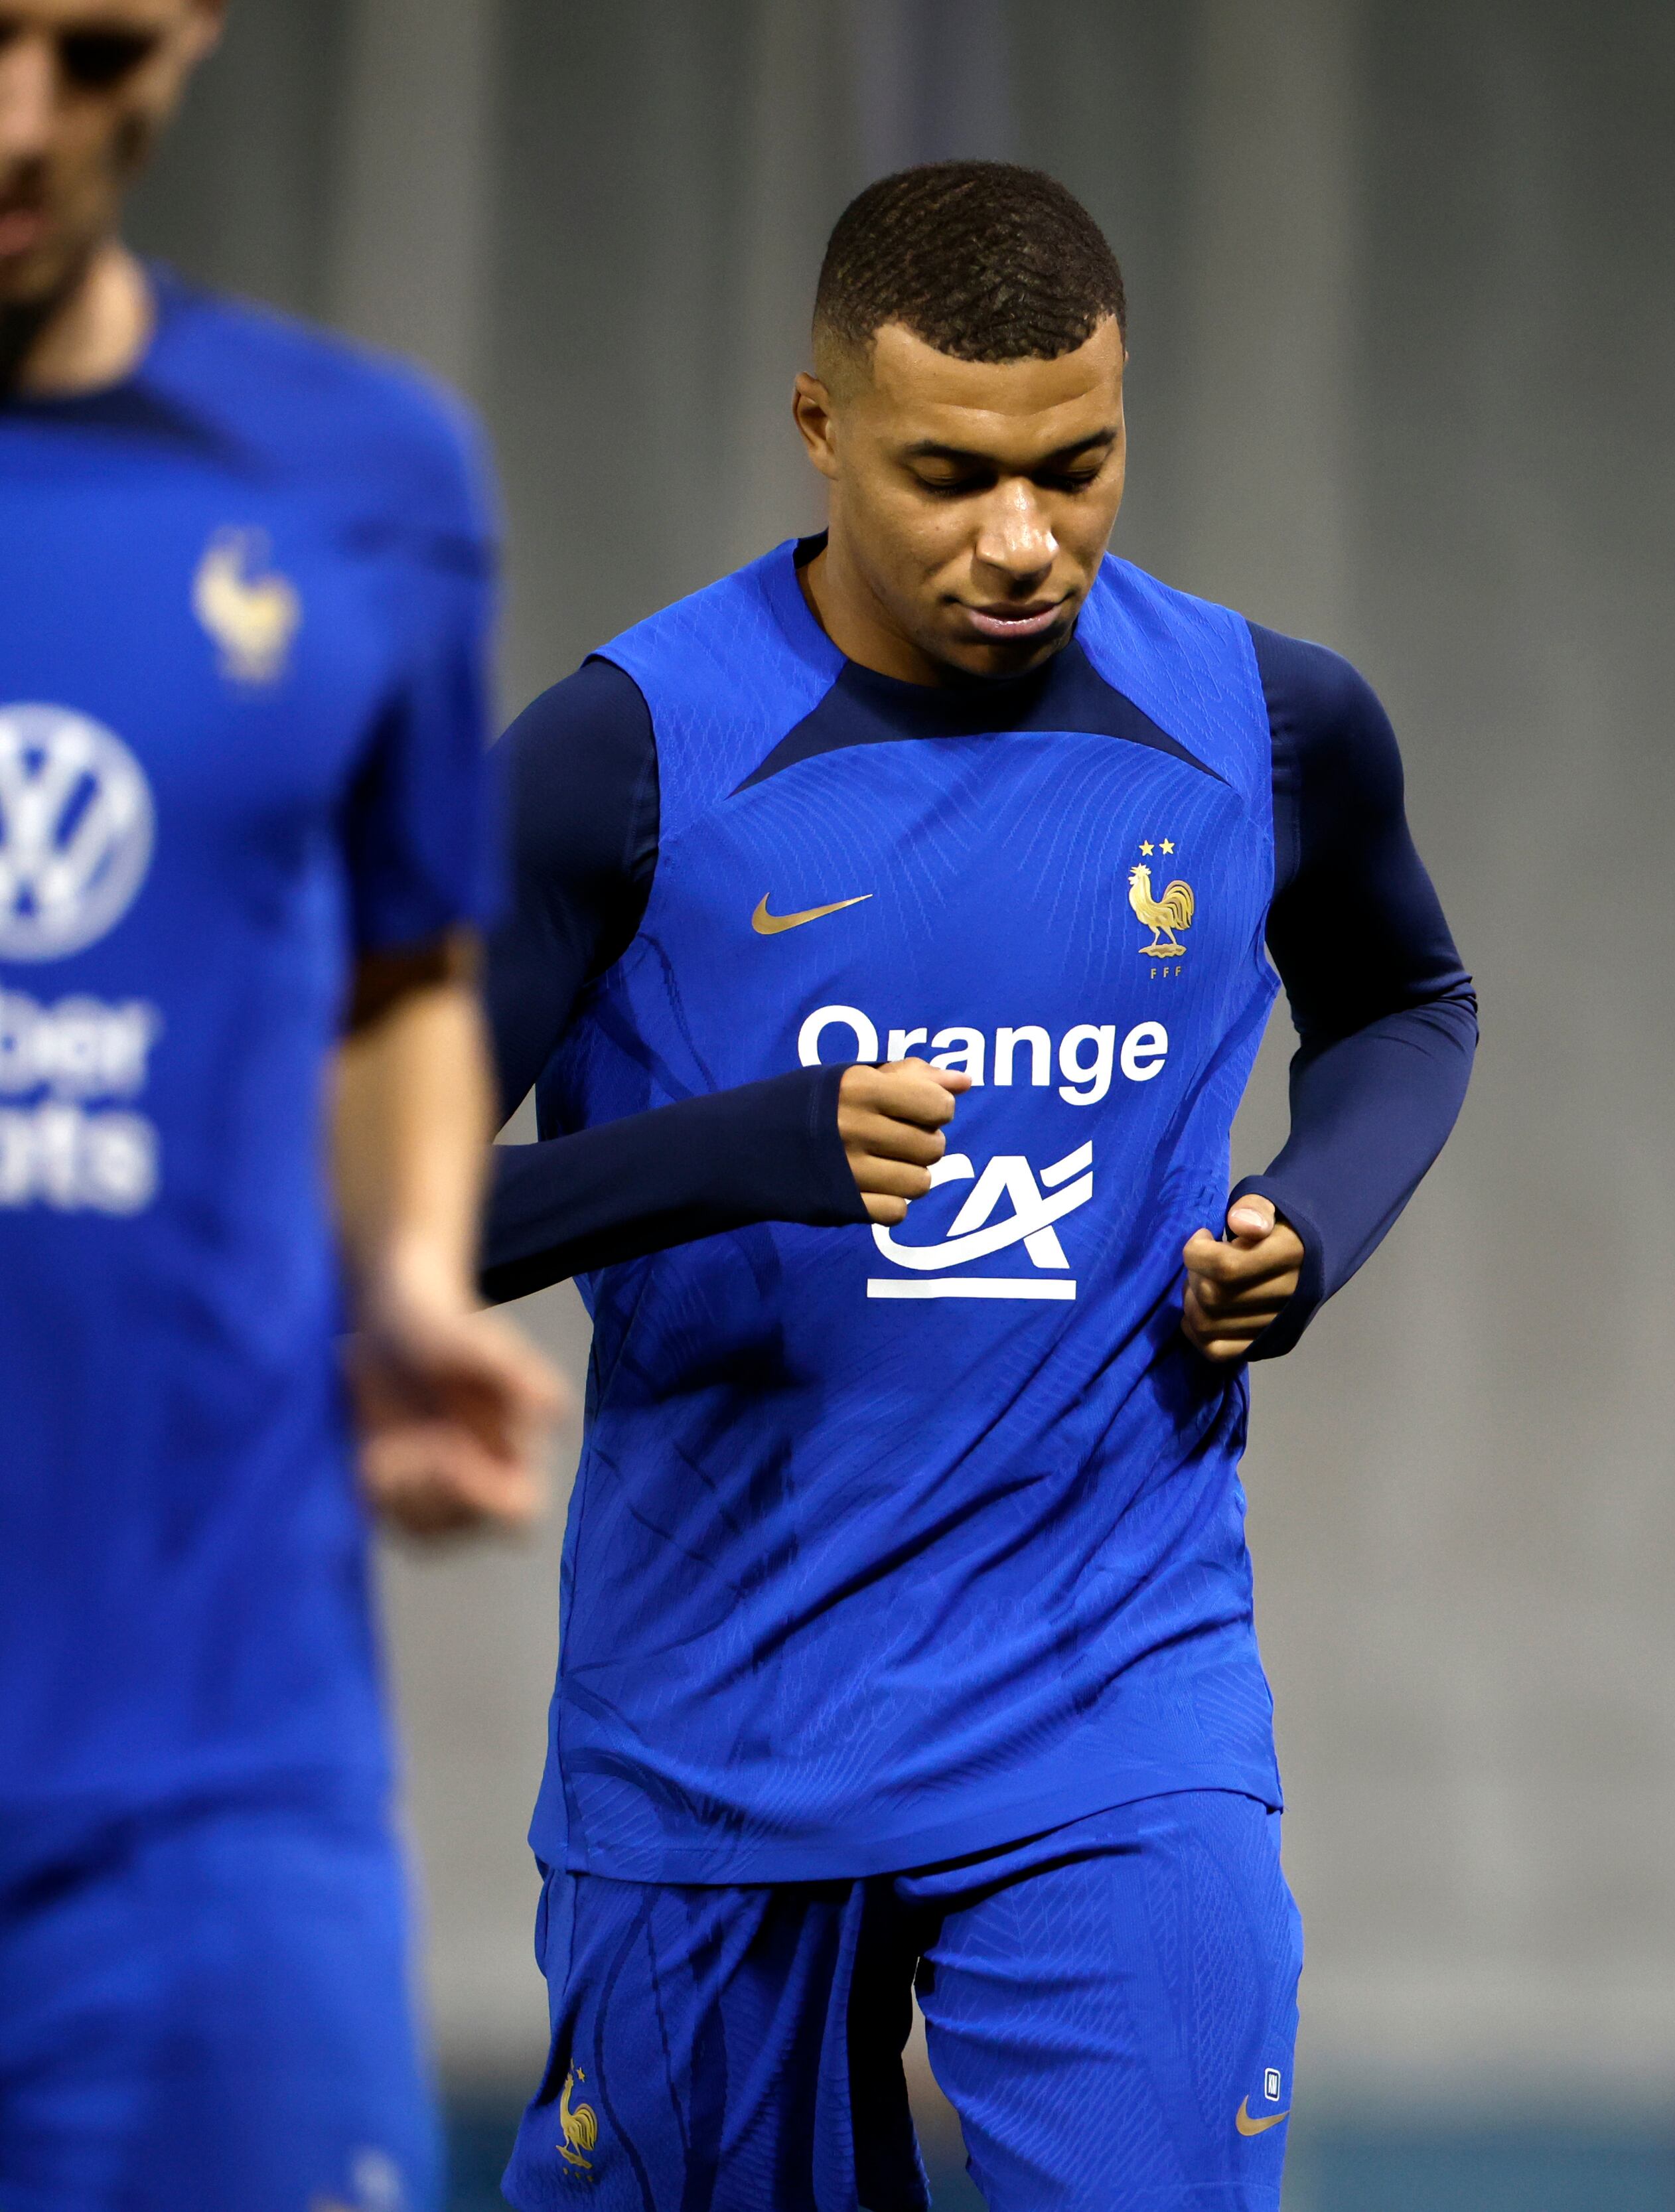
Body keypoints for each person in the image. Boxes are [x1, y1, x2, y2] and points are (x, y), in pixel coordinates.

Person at [481, 162, 1476, 2212]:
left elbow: (1410, 1008)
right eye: (951, 475)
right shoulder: (621, 758)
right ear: (821, 426)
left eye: (1080, 468)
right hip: (717, 1736)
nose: (1026, 543)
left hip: (1117, 1699)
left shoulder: (1274, 724)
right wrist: (741, 1151)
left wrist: (1311, 1225)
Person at [0, 1, 555, 2205]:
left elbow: (400, 963)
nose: (15, 122)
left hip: (210, 1790)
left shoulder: (362, 481)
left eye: (90, 42)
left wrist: (409, 1267)